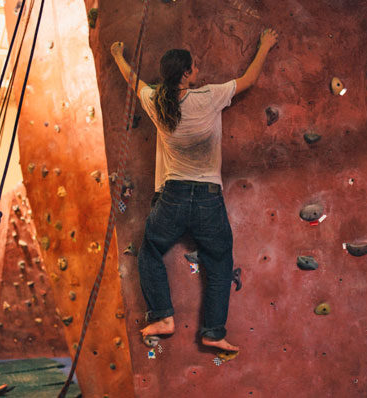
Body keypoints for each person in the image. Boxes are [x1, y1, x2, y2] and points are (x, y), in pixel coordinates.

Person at [111, 28, 278, 352]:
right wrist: (265, 46)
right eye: (194, 67)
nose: (197, 71)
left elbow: (134, 82)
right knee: (219, 261)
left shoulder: (156, 102)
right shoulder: (209, 97)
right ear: (186, 74)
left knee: (149, 251)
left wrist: (118, 56)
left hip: (171, 196)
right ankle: (213, 332)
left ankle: (162, 316)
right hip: (207, 198)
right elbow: (249, 80)